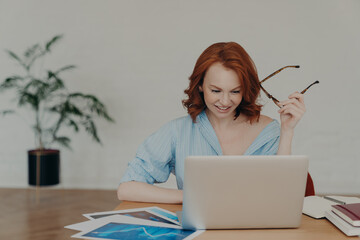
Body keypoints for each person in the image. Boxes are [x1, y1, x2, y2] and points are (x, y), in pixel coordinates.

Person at [117, 42, 307, 204]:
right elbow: (127, 188)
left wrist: (287, 131)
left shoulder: (269, 131)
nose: (225, 102)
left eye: (235, 91)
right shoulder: (178, 131)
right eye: (216, 91)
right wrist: (190, 197)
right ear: (200, 86)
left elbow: (283, 194)